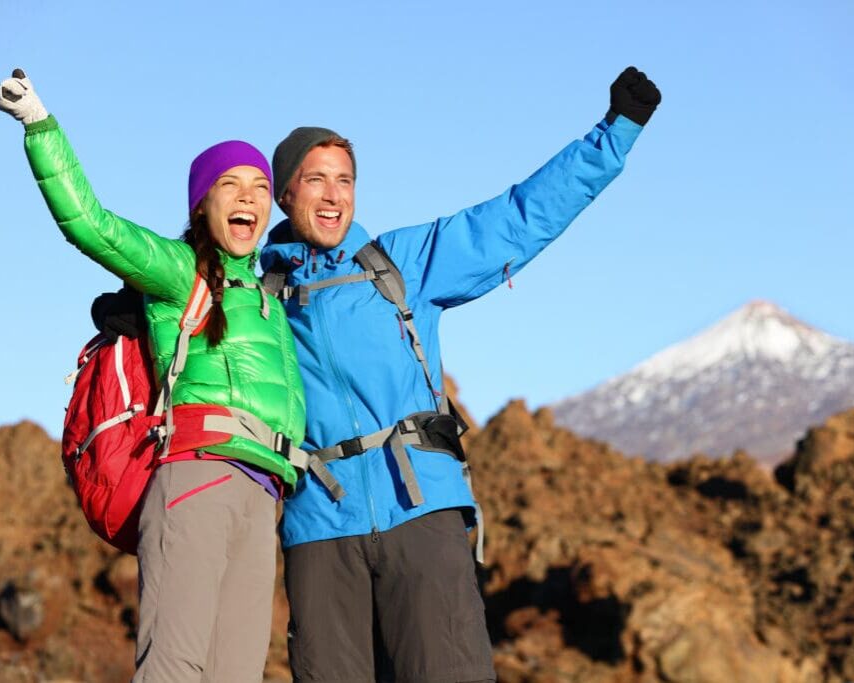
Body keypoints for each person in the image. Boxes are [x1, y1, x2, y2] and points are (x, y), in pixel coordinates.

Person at [260, 66, 661, 682]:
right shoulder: (256, 300)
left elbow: (517, 218)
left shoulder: (402, 265)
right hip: (318, 528)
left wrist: (615, 133)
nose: (335, 195)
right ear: (285, 194)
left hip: (420, 511)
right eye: (316, 180)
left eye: (346, 180)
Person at [0, 70, 306, 682]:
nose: (247, 197)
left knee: (236, 674)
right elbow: (93, 225)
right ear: (201, 203)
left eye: (259, 187)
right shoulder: (178, 269)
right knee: (174, 666)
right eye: (230, 184)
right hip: (198, 477)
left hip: (262, 494)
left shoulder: (273, 299)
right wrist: (39, 126)